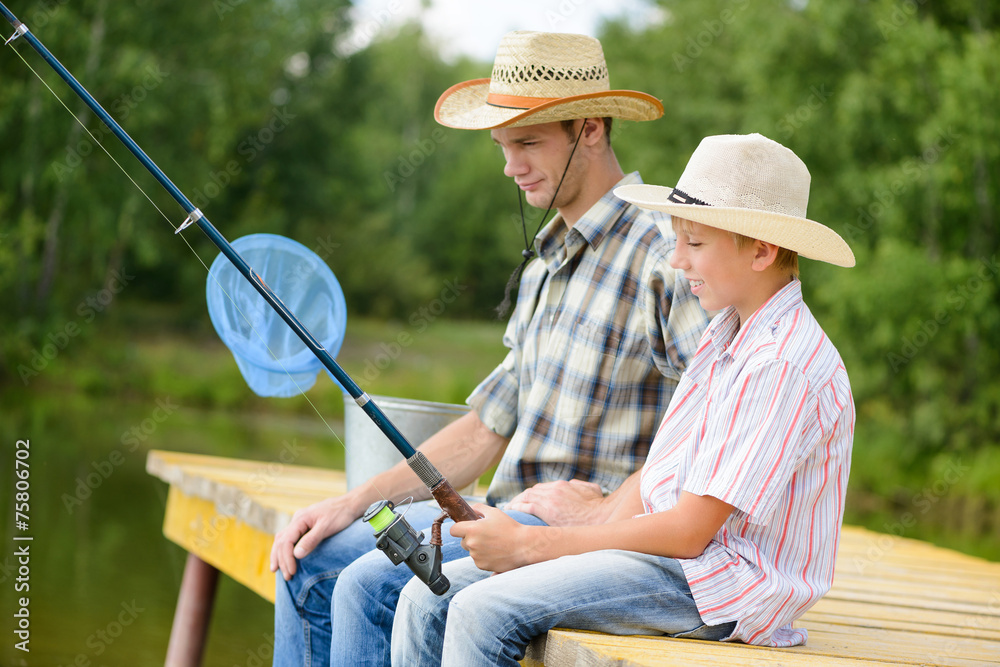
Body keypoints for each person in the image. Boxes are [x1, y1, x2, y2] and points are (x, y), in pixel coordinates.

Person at [269, 30, 708, 666]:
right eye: (503, 146)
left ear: (589, 128)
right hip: (497, 515)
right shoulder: (544, 265)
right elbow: (484, 429)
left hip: (582, 539)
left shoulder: (665, 252)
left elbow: (714, 419)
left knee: (368, 588)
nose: (510, 165)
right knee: (306, 566)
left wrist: (605, 515)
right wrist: (356, 502)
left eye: (527, 142)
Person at [391, 133, 858, 666]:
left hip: (718, 583)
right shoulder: (728, 333)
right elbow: (668, 472)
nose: (677, 259)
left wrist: (530, 546)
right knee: (431, 592)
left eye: (696, 243)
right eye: (677, 239)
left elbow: (687, 534)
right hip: (673, 560)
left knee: (482, 612)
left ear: (762, 250)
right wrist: (572, 528)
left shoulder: (781, 362)